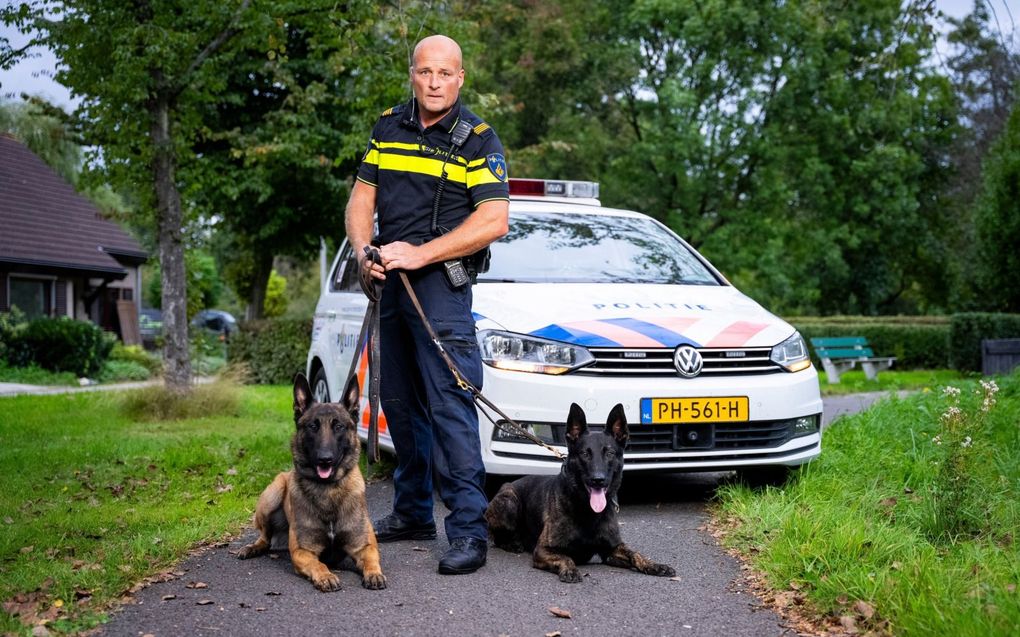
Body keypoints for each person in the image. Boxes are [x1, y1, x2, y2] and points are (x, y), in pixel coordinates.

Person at [344, 34, 510, 575]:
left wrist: (419, 255)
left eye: (445, 73)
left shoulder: (478, 140)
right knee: (399, 403)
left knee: (450, 408)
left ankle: (468, 529)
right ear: (412, 75)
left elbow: (493, 221)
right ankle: (413, 511)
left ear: (461, 78)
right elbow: (361, 199)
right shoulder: (387, 126)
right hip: (389, 284)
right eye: (425, 72)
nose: (434, 83)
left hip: (442, 290)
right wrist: (365, 250)